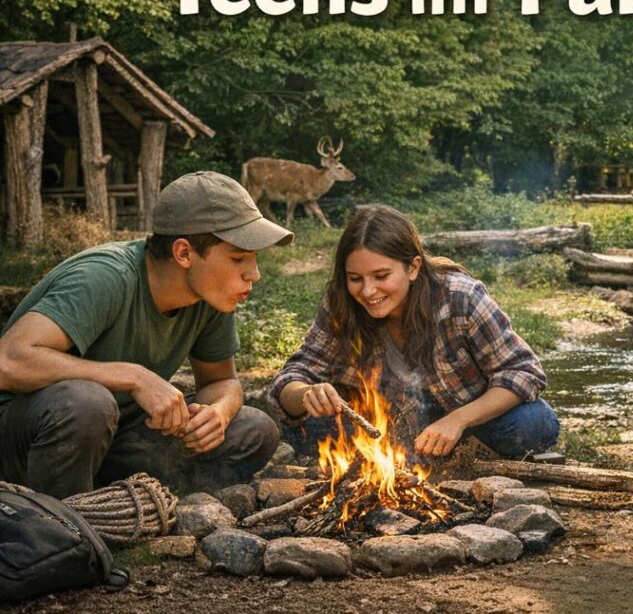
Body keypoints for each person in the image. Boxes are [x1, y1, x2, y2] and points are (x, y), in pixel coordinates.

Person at [0, 171, 292, 498]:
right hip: (26, 435)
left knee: (254, 429)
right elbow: (7, 362)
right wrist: (133, 376)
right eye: (238, 258)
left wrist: (217, 415)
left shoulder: (211, 295)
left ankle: (112, 495)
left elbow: (222, 382)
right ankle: (62, 527)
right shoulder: (104, 276)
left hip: (111, 438)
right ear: (184, 253)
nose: (254, 274)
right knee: (87, 403)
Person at [269, 205, 560, 461]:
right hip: (386, 423)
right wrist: (307, 393)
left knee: (532, 423)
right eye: (355, 278)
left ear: (413, 268)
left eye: (381, 276)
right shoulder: (341, 303)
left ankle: (450, 449)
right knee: (307, 428)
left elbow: (523, 373)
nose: (368, 291)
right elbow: (289, 380)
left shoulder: (460, 297)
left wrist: (457, 421)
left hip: (465, 417)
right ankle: (409, 453)